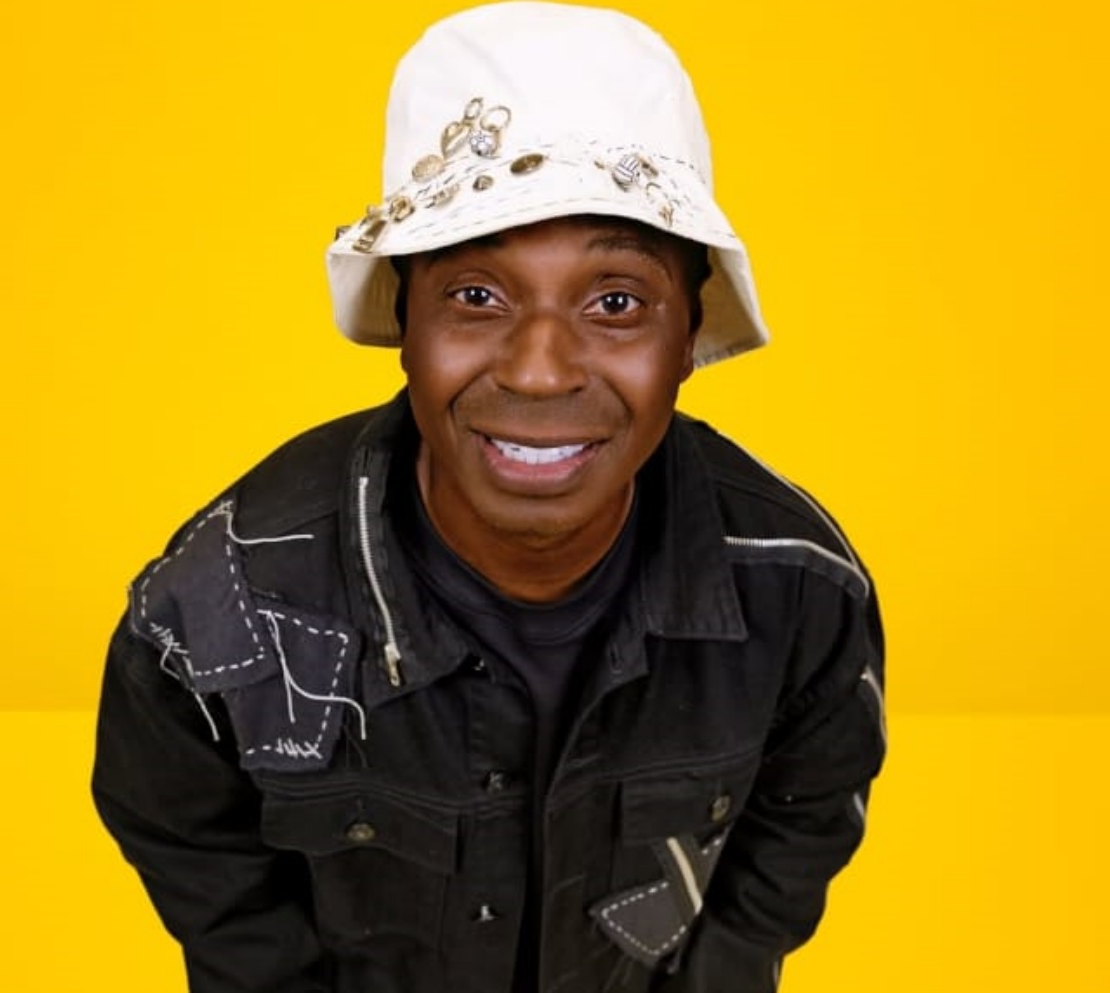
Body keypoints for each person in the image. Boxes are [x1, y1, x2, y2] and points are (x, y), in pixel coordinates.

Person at [91, 4, 886, 991]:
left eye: (615, 302)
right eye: (476, 295)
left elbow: (799, 829)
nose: (539, 370)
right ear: (404, 319)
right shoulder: (220, 609)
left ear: (688, 334)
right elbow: (200, 863)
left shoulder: (801, 594)